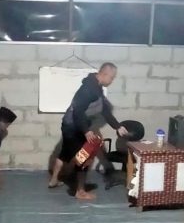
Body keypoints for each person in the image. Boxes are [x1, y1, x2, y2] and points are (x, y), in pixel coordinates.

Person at [48, 62, 128, 200]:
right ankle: (80, 191)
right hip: (74, 126)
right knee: (84, 157)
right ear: (104, 74)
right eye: (112, 77)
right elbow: (78, 112)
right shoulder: (88, 89)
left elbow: (104, 110)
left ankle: (54, 180)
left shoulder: (96, 86)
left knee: (65, 152)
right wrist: (86, 131)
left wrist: (117, 126)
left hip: (70, 125)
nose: (112, 80)